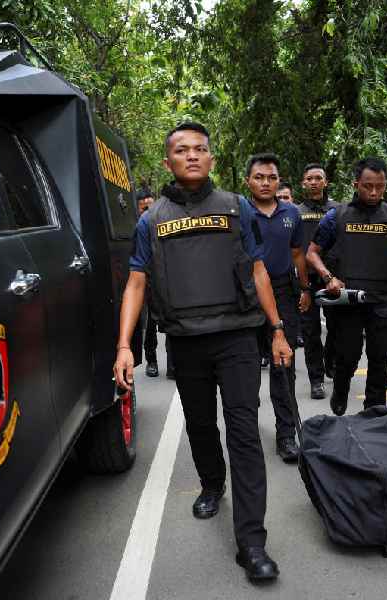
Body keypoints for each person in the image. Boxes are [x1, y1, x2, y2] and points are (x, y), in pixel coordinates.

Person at [113, 122, 292, 581]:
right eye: (181, 150)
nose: (192, 155)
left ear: (212, 158)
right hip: (186, 340)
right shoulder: (150, 222)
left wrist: (277, 329)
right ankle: (213, 483)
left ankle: (252, 542)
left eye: (200, 149)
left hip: (236, 336)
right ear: (168, 160)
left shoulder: (238, 209)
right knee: (199, 425)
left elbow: (258, 273)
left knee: (244, 432)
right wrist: (124, 347)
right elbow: (136, 281)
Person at [306, 157, 387, 416]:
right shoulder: (337, 216)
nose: (374, 192)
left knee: (381, 363)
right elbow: (312, 253)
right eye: (368, 186)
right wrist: (327, 277)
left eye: (380, 186)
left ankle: (373, 415)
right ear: (356, 184)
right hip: (349, 302)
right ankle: (341, 387)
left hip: (382, 300)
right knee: (347, 358)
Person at [243, 153, 311, 463]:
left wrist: (305, 288)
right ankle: (245, 431)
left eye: (272, 177)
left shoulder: (292, 214)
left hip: (284, 292)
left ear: (279, 180)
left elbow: (298, 253)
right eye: (259, 177)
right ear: (249, 181)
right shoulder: (238, 213)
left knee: (283, 367)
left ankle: (286, 434)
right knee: (244, 370)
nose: (266, 183)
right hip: (245, 295)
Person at [296, 163, 339, 399]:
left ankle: (330, 361)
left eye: (318, 178)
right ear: (304, 183)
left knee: (336, 328)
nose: (314, 182)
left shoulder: (338, 210)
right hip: (307, 280)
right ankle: (316, 379)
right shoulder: (295, 212)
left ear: (325, 182)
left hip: (333, 278)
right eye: (309, 179)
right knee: (311, 332)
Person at [137, 188, 174, 378]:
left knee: (171, 321)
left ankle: (173, 364)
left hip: (165, 280)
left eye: (150, 207)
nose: (147, 211)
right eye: (143, 208)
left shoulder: (163, 221)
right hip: (145, 283)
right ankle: (151, 360)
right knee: (151, 324)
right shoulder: (138, 228)